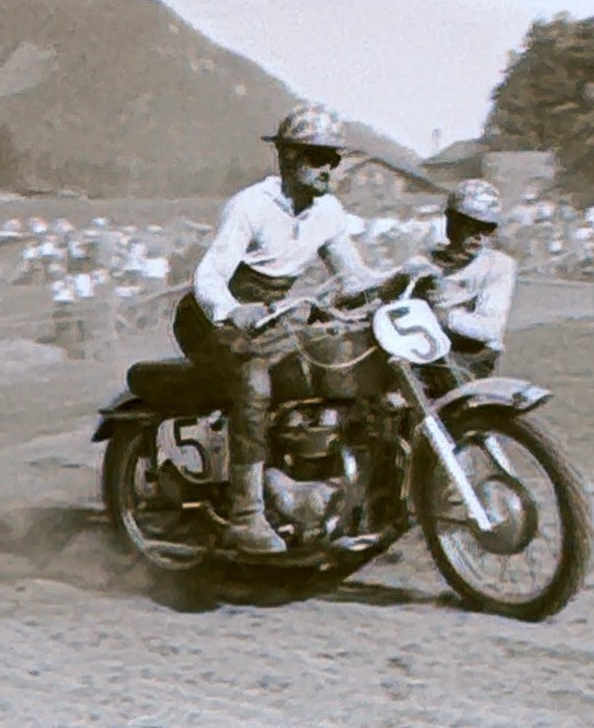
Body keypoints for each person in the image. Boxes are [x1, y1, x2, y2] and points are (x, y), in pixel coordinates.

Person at [171, 103, 381, 554]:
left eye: (335, 159)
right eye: (317, 157)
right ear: (287, 159)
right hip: (211, 320)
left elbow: (352, 275)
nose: (329, 168)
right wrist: (233, 311)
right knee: (253, 375)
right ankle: (245, 512)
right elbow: (208, 277)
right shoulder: (251, 206)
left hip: (272, 318)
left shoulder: (328, 212)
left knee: (340, 360)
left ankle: (337, 492)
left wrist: (402, 279)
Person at [399, 179, 517, 379]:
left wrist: (440, 315)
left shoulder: (498, 265)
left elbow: (490, 328)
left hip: (470, 355)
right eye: (472, 226)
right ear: (452, 222)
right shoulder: (424, 261)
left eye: (487, 229)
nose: (479, 236)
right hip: (420, 348)